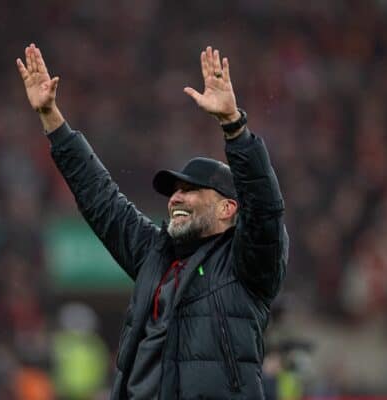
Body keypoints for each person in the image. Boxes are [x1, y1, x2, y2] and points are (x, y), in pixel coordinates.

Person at [16, 43, 289, 399]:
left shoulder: (246, 266)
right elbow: (101, 198)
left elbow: (265, 210)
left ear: (227, 209)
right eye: (174, 190)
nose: (175, 197)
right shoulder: (155, 256)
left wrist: (234, 127)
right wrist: (52, 120)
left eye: (191, 191)